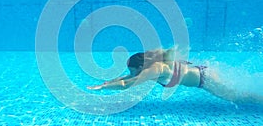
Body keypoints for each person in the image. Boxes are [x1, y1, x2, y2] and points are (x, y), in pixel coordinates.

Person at [87, 48, 263, 105]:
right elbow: (127, 77)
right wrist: (109, 82)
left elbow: (127, 84)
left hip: (206, 79)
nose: (132, 73)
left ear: (140, 67)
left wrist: (103, 88)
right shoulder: (148, 67)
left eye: (133, 70)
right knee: (239, 93)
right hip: (203, 72)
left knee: (239, 97)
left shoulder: (154, 70)